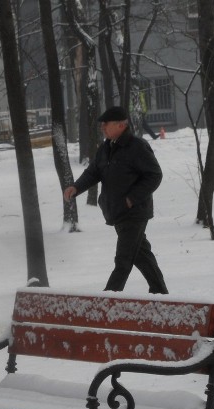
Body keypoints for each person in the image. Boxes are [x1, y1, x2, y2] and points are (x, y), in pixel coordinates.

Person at [63, 106, 168, 294]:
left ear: (121, 125)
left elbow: (154, 175)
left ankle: (107, 300)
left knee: (123, 259)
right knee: (140, 255)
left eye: (106, 124)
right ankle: (160, 294)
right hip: (117, 211)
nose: (103, 127)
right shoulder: (106, 148)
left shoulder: (137, 146)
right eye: (102, 124)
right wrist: (76, 187)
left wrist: (132, 199)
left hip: (134, 212)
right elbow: (93, 172)